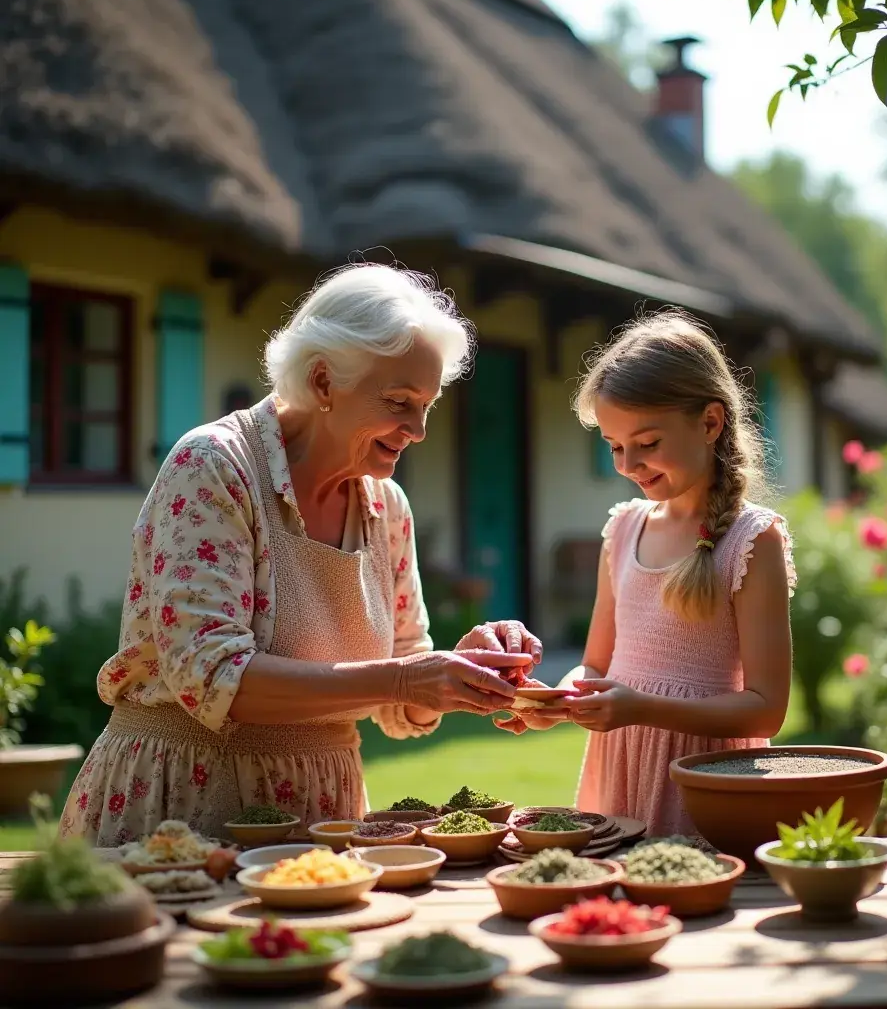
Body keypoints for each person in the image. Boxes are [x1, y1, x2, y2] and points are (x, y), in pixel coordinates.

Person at [60, 265, 539, 845]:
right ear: (322, 382)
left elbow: (401, 701)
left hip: (326, 815)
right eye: (399, 402)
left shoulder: (387, 506)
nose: (417, 430)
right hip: (183, 803)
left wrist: (462, 670)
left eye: (427, 405)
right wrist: (405, 680)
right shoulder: (214, 466)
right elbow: (212, 676)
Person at [497, 312, 795, 837]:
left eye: (648, 442)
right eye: (614, 446)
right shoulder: (622, 530)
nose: (627, 464)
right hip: (620, 769)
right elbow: (594, 664)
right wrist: (559, 701)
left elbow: (765, 710)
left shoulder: (752, 541)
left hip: (706, 781)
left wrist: (642, 709)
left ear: (710, 423)